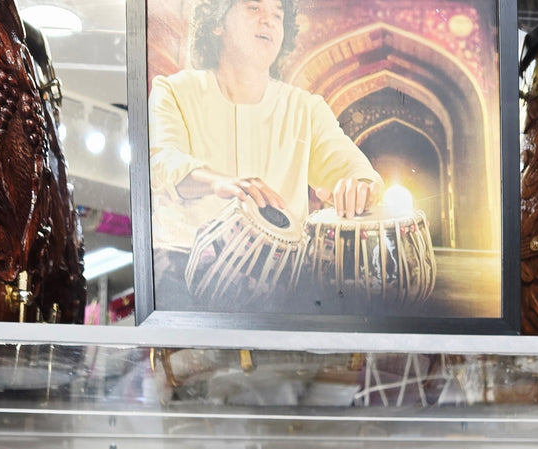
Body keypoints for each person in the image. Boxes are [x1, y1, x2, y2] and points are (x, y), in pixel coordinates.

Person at [149, 0, 383, 301]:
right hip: (184, 267)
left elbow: (353, 169)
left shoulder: (305, 108)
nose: (269, 20)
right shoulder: (174, 91)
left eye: (277, 14)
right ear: (217, 23)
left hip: (281, 278)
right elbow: (162, 161)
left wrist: (359, 186)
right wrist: (219, 182)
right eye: (254, 8)